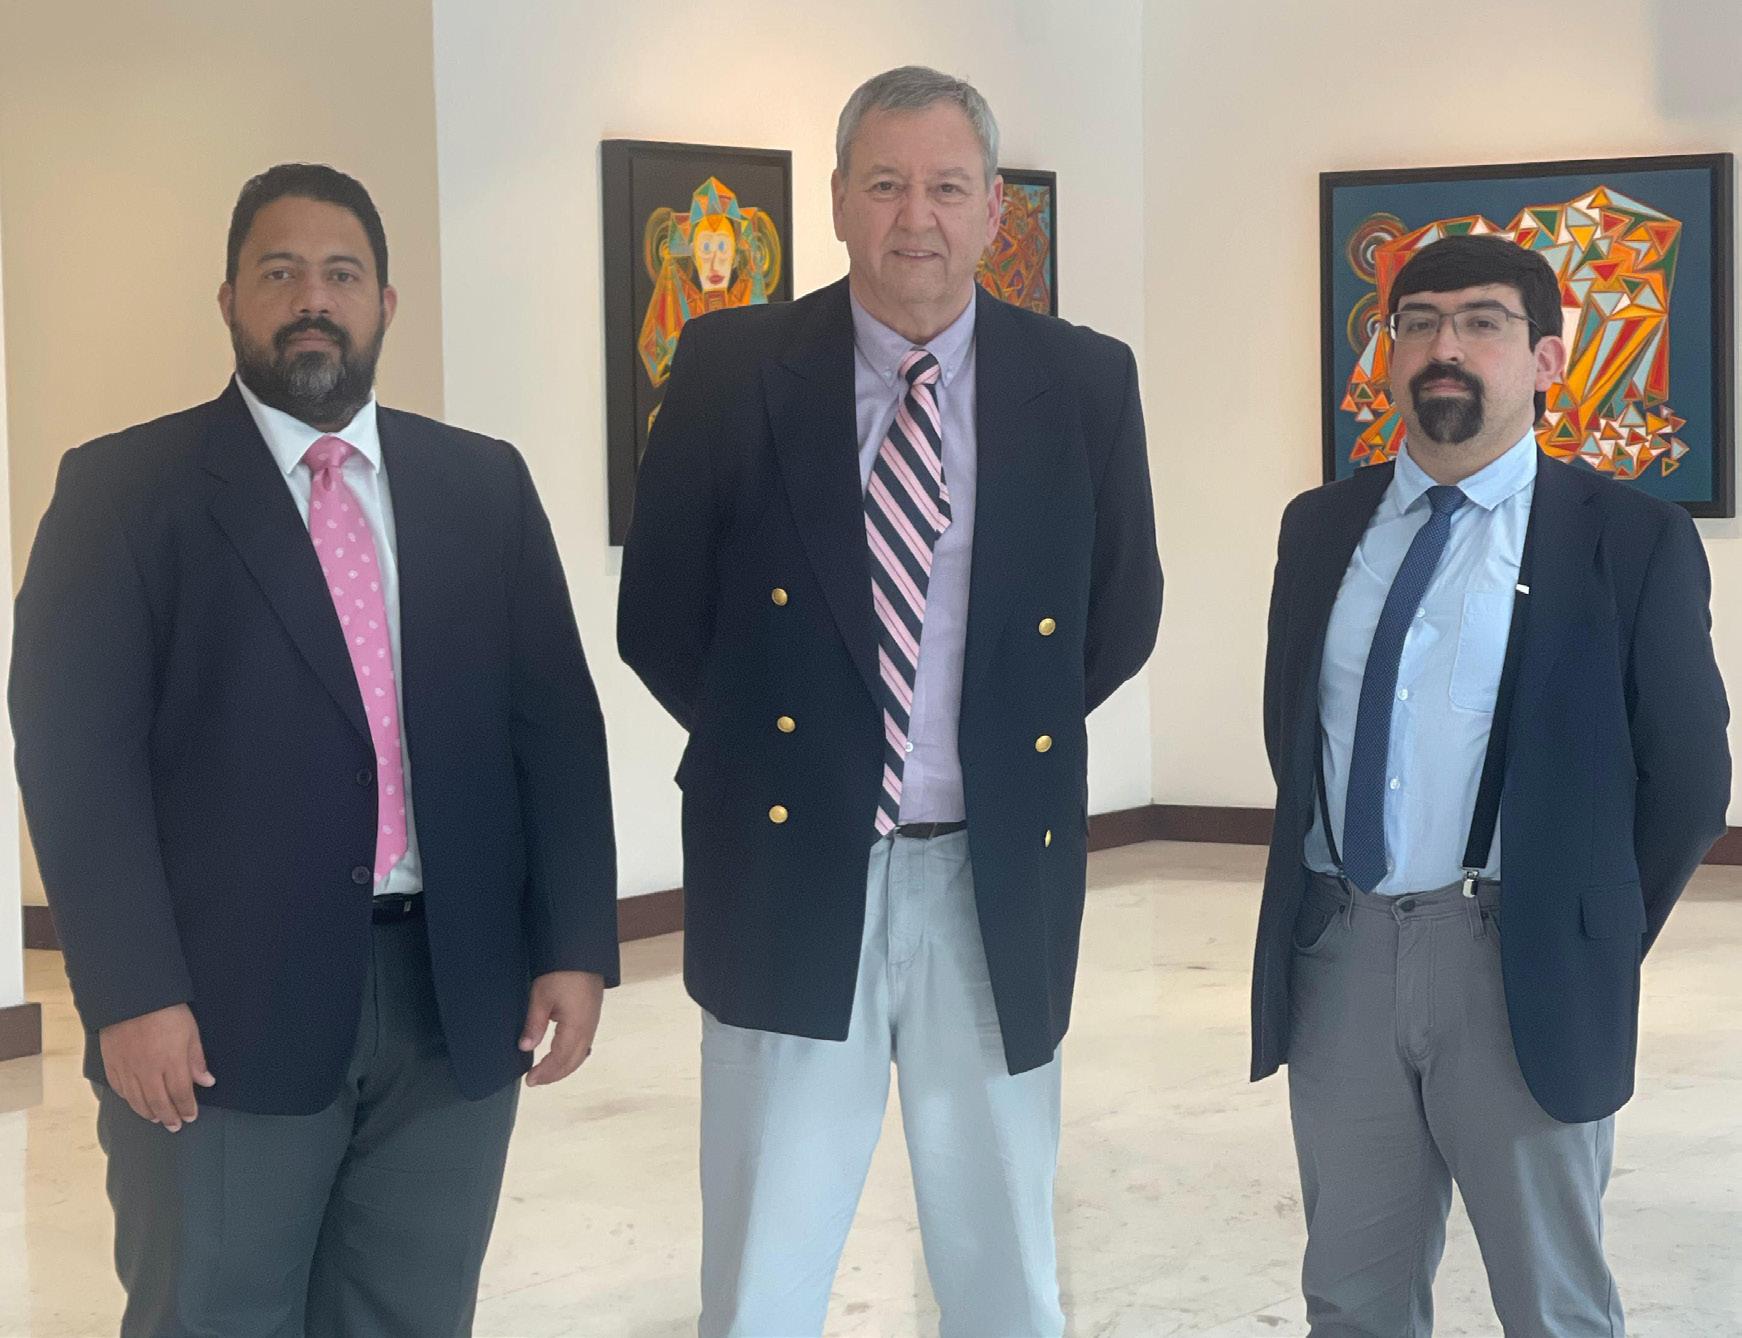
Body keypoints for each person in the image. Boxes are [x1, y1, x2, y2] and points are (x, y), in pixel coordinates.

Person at [9, 162, 619, 1337]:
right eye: (278, 272)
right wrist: (132, 993)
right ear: (228, 300)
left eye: (340, 275)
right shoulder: (124, 492)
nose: (311, 299)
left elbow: (552, 728)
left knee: (409, 1314)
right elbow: (76, 763)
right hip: (218, 1012)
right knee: (215, 1314)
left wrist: (574, 943)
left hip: (454, 998)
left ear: (384, 302)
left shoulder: (481, 485)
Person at [618, 64, 1162, 1338]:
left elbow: (1118, 611)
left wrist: (987, 746)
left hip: (994, 867)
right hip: (789, 861)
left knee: (1002, 1261)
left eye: (947, 188)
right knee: (761, 1270)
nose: (915, 217)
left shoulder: (1083, 381)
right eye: (884, 185)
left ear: (991, 212)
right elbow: (662, 615)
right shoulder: (729, 365)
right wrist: (794, 756)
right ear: (835, 201)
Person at [1251, 232, 1729, 1335]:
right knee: (1350, 1299)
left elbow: (1688, 781)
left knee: (1552, 1304)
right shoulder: (1319, 527)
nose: (1444, 348)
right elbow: (1299, 739)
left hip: (1515, 961)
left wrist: (1584, 927)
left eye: (1481, 322)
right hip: (1340, 955)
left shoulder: (1629, 538)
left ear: (1547, 359)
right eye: (1416, 323)